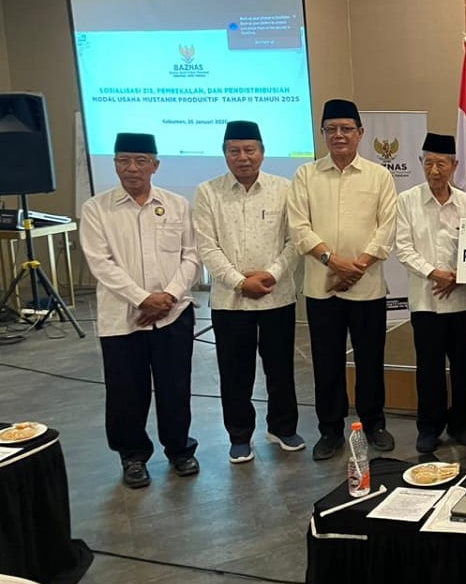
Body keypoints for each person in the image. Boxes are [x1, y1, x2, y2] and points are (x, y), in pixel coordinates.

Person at [79, 133, 201, 488]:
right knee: (125, 391)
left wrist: (169, 296)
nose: (132, 168)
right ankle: (132, 456)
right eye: (124, 160)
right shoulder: (96, 209)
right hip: (123, 317)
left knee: (175, 386)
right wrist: (143, 299)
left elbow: (192, 256)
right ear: (115, 164)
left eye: (140, 161)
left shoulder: (177, 204)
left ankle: (179, 449)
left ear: (155, 165)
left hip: (173, 314)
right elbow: (100, 263)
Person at [287, 99, 398, 461]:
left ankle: (374, 423)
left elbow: (387, 228)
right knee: (326, 361)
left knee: (370, 360)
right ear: (322, 134)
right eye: (331, 129)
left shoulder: (379, 176)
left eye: (346, 128)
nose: (339, 135)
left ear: (360, 133)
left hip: (367, 287)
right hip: (322, 288)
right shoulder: (306, 175)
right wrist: (332, 261)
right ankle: (331, 429)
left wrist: (357, 267)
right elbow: (299, 226)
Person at [193, 120, 303, 464]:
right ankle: (240, 436)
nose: (243, 157)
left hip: (277, 296)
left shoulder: (284, 189)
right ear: (225, 154)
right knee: (235, 373)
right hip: (230, 301)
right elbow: (206, 247)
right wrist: (241, 282)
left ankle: (282, 428)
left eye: (249, 150)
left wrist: (271, 274)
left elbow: (294, 241)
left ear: (262, 152)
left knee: (280, 369)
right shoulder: (208, 192)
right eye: (234, 151)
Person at [394, 133, 466, 454]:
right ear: (421, 163)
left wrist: (457, 276)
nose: (434, 170)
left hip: (463, 301)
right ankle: (429, 427)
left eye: (441, 163)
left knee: (463, 368)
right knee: (428, 368)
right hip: (426, 301)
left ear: (454, 165)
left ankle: (461, 423)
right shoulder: (407, 201)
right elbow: (403, 248)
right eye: (428, 163)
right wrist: (434, 273)